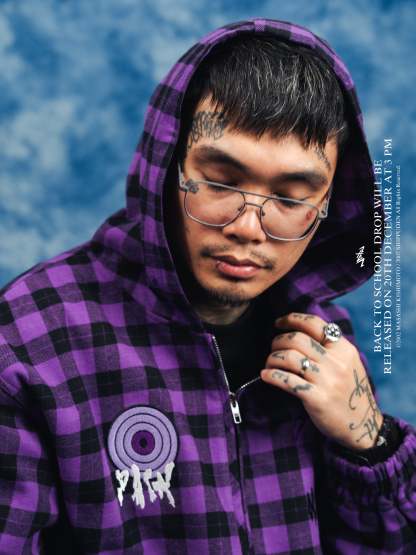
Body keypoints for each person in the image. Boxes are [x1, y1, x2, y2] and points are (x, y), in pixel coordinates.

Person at [0, 17, 415, 555]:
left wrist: (371, 443)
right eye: (220, 182)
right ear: (166, 167)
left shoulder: (323, 339)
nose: (248, 228)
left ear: (327, 205)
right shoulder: (31, 343)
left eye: (290, 198)